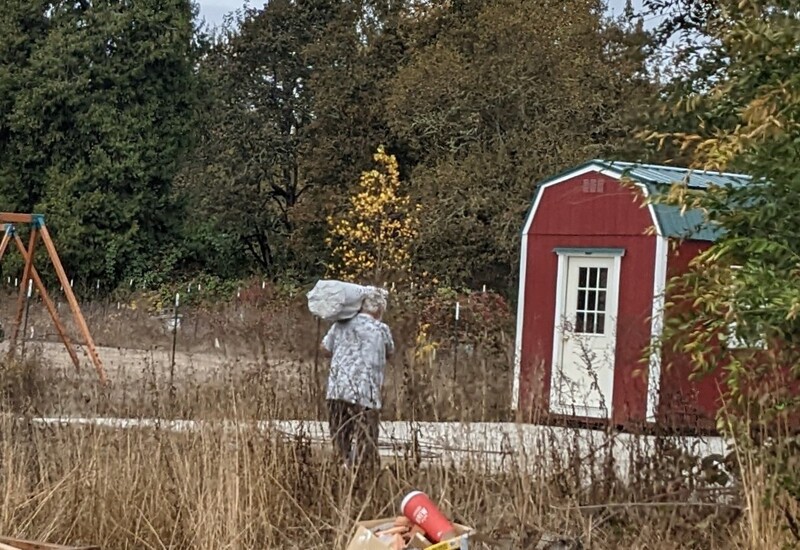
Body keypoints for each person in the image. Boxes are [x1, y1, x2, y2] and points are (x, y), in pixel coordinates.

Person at [321, 288, 394, 471]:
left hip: (337, 392)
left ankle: (342, 472)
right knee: (366, 446)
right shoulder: (381, 329)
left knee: (340, 442)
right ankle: (362, 479)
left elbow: (324, 348)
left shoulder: (340, 325)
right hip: (366, 396)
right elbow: (390, 352)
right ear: (379, 309)